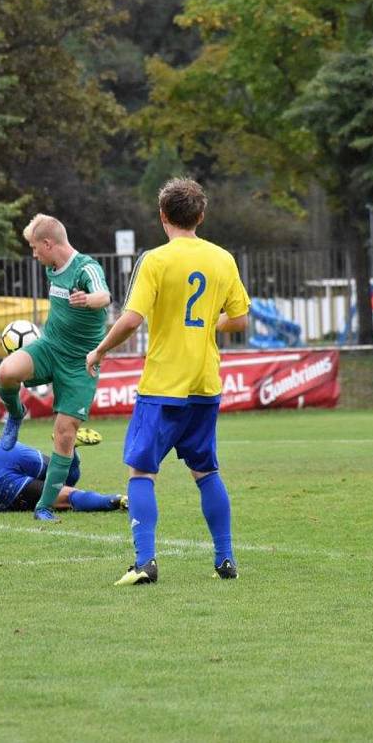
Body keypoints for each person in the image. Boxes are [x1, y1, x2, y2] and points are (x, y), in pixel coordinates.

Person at [86, 178, 250, 585]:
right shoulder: (222, 259)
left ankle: (144, 562)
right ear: (201, 215)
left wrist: (100, 350)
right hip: (204, 384)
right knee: (206, 471)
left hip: (163, 385)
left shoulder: (156, 260)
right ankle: (225, 559)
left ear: (163, 216)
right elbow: (241, 319)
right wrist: (210, 322)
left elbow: (131, 318)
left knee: (141, 472)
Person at [0, 214, 111, 522]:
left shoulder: (86, 268)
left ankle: (44, 507)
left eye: (35, 247)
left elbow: (105, 295)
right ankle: (16, 414)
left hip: (80, 364)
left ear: (48, 243)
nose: (33, 254)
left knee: (63, 434)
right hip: (49, 348)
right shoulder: (50, 268)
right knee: (6, 373)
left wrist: (88, 299)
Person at [0, 430, 126, 514]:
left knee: (65, 496)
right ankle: (68, 449)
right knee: (65, 477)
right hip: (1, 450)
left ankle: (117, 500)